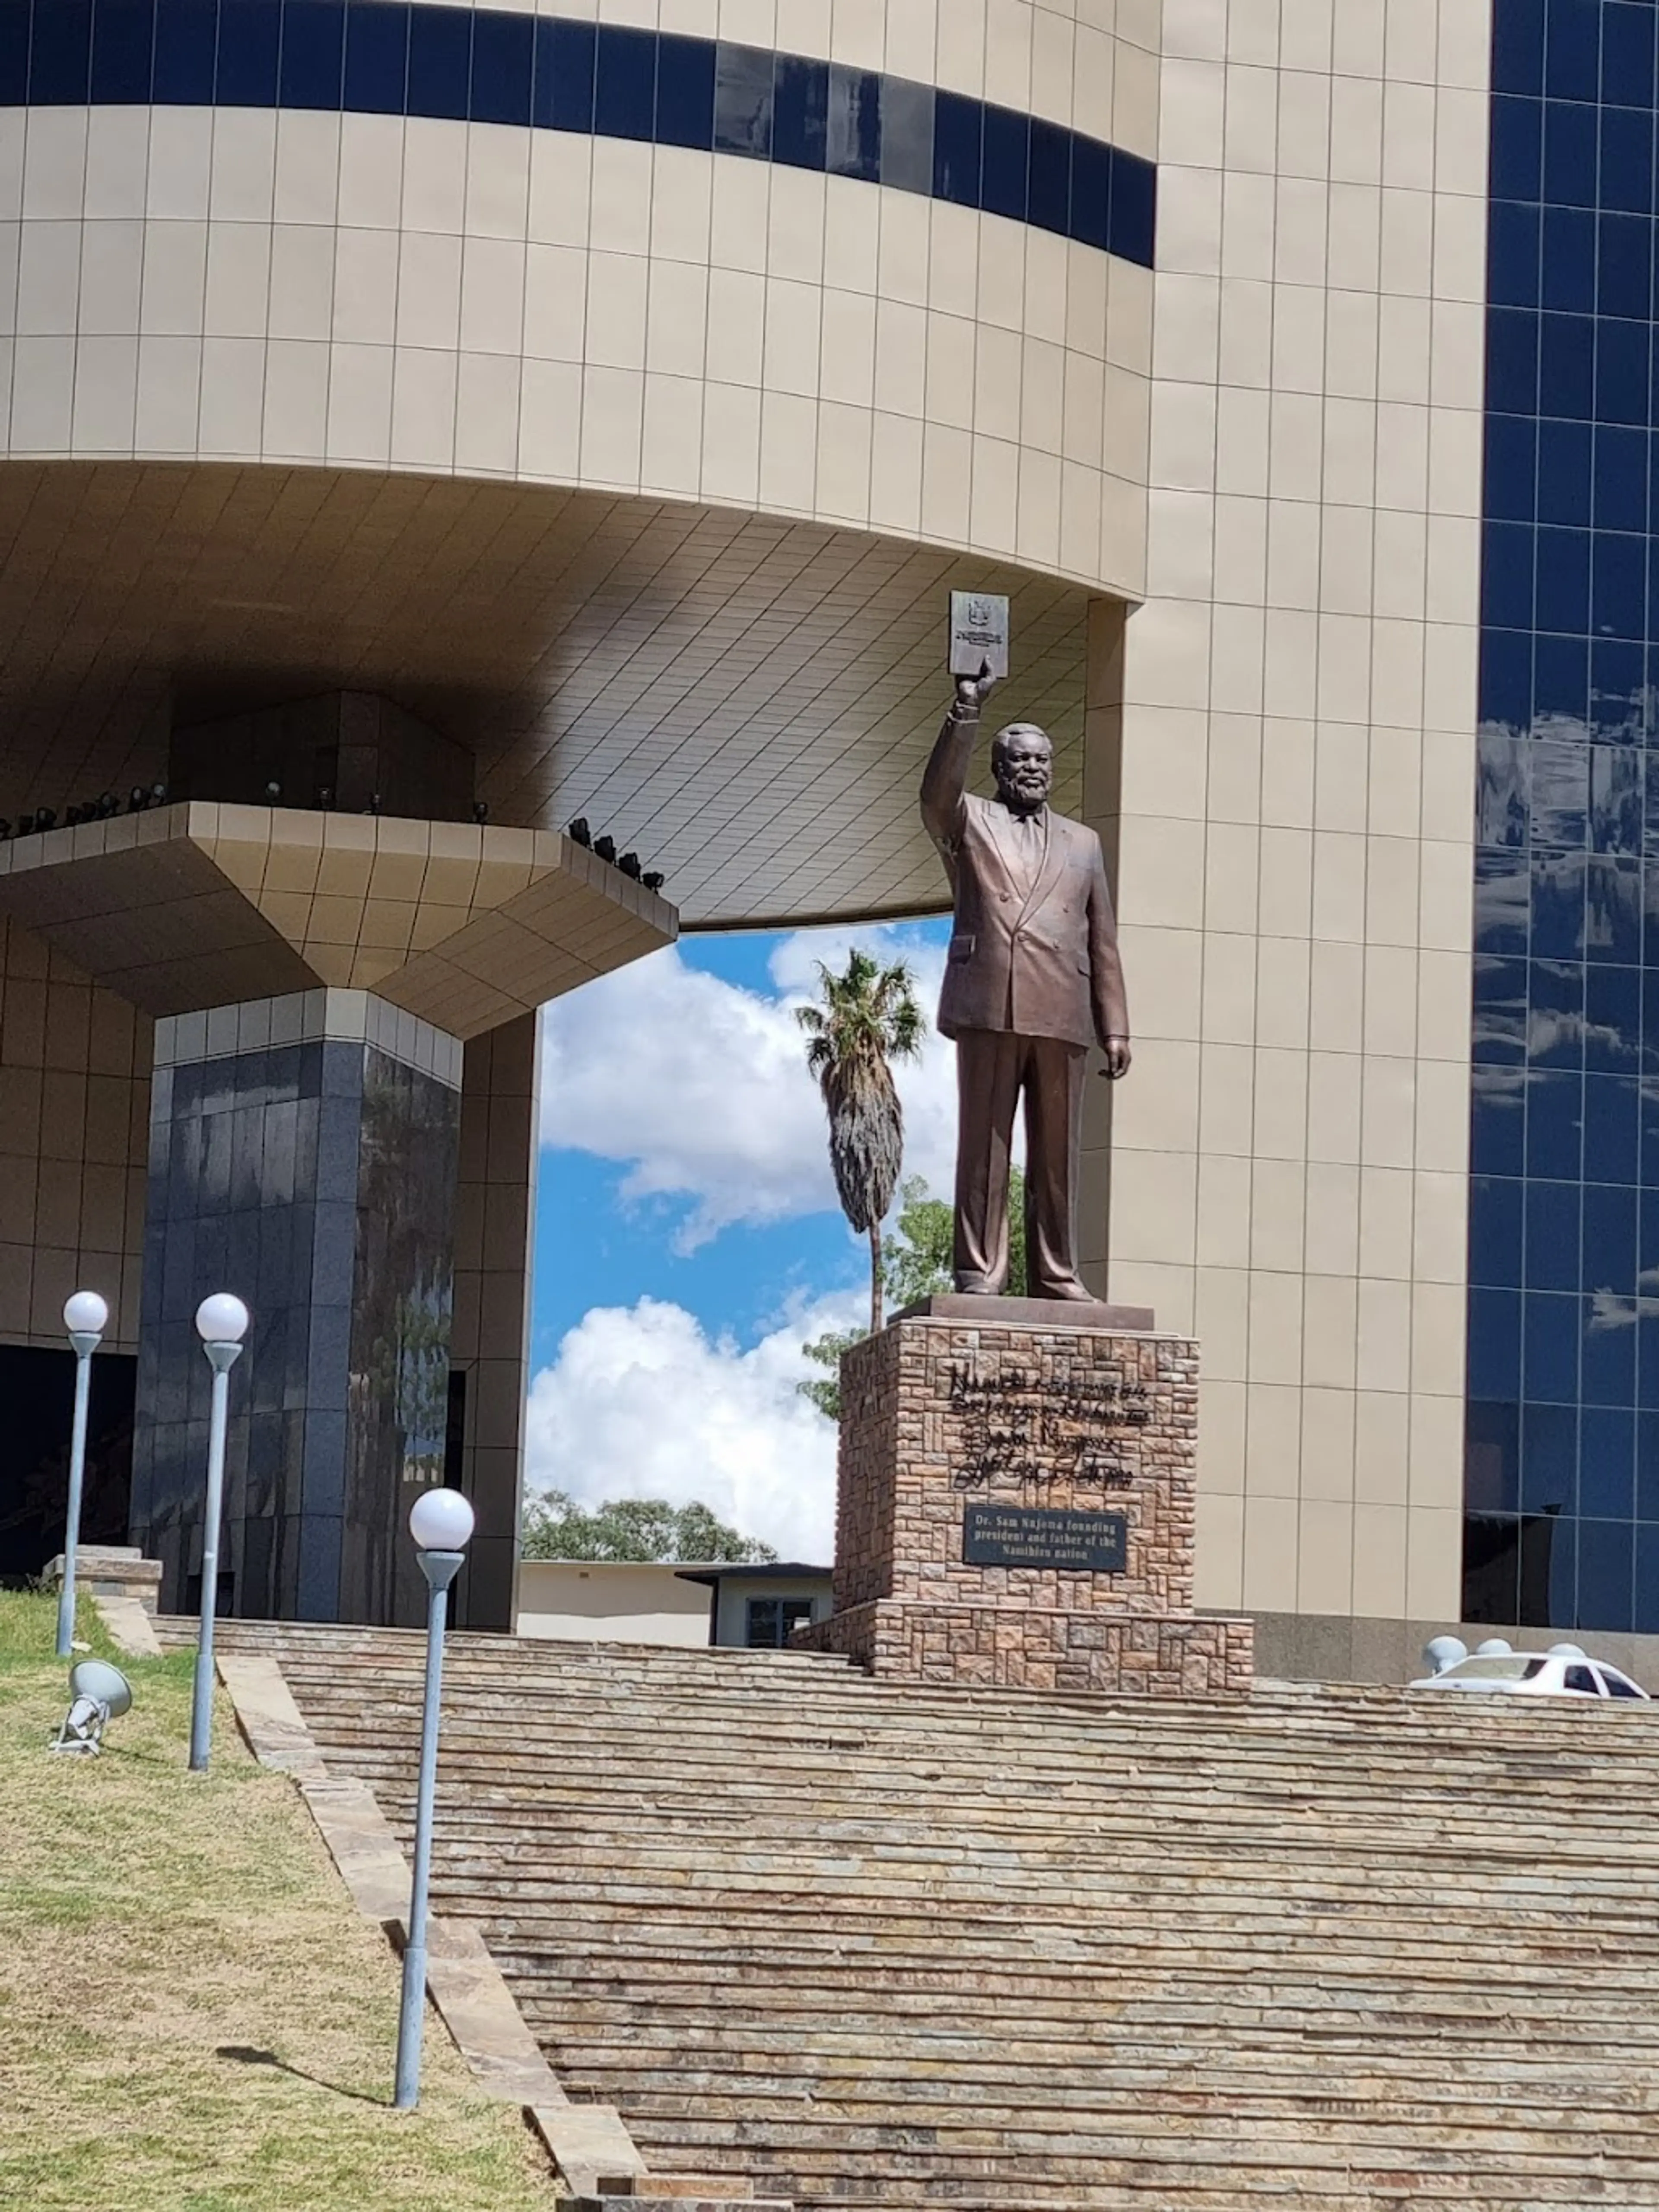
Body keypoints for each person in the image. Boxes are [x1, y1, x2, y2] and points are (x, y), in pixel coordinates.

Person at [920, 662, 1131, 1299]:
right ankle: (980, 1270)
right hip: (992, 1001)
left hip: (1062, 1009)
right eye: (1021, 759)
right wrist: (965, 711)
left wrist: (1114, 1024)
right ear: (998, 767)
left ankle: (1057, 1273)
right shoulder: (970, 821)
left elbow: (1104, 940)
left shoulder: (1084, 843)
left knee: (1058, 1156)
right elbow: (935, 795)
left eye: (1042, 759)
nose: (1034, 769)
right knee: (984, 1150)